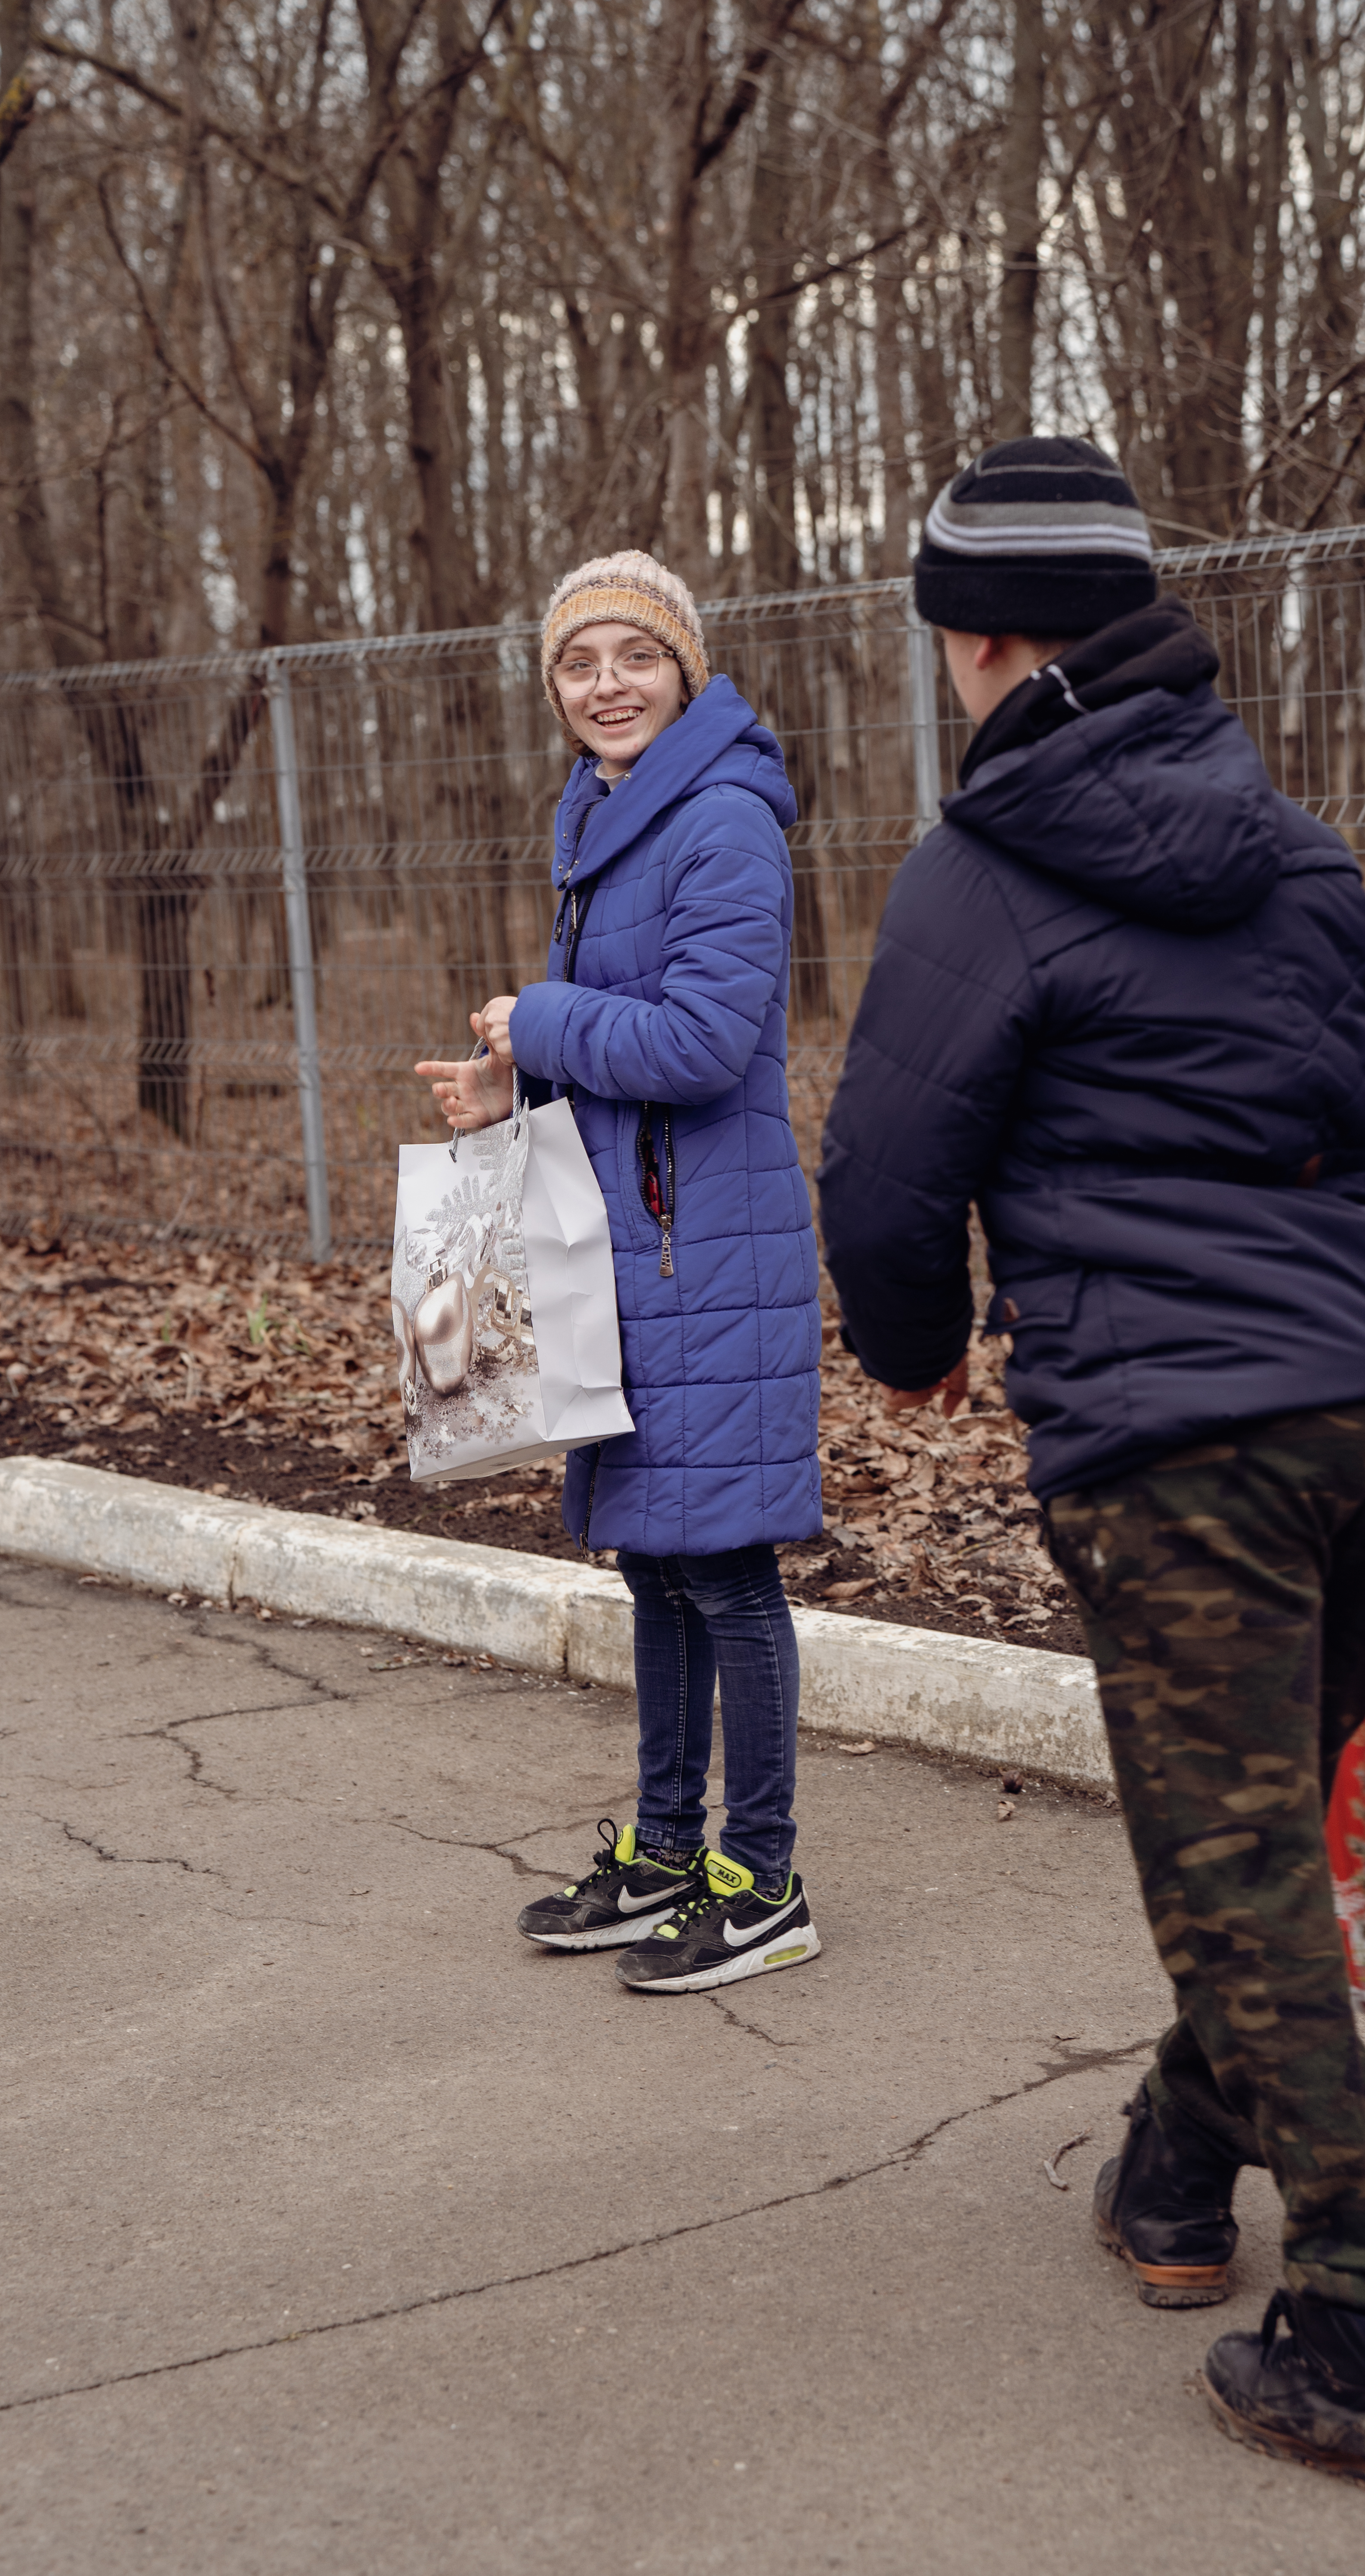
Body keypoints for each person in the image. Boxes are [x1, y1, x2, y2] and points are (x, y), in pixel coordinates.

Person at [818, 439, 1365, 2499]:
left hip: (1176, 1436)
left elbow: (889, 1175)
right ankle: (1178, 2177)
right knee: (1255, 1832)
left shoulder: (982, 870)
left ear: (978, 635)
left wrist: (916, 1353)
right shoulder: (1297, 849)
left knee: (1232, 1882)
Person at [417, 550, 822, 1995]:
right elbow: (618, 1054)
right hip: (633, 1237)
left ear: (686, 669)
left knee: (725, 1568)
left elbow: (707, 1045)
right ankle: (664, 1855)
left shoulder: (722, 819)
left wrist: (544, 1018)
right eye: (579, 664)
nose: (607, 684)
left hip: (705, 1246)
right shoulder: (599, 816)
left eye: (634, 657)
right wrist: (511, 1095)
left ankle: (761, 1878)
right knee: (656, 1562)